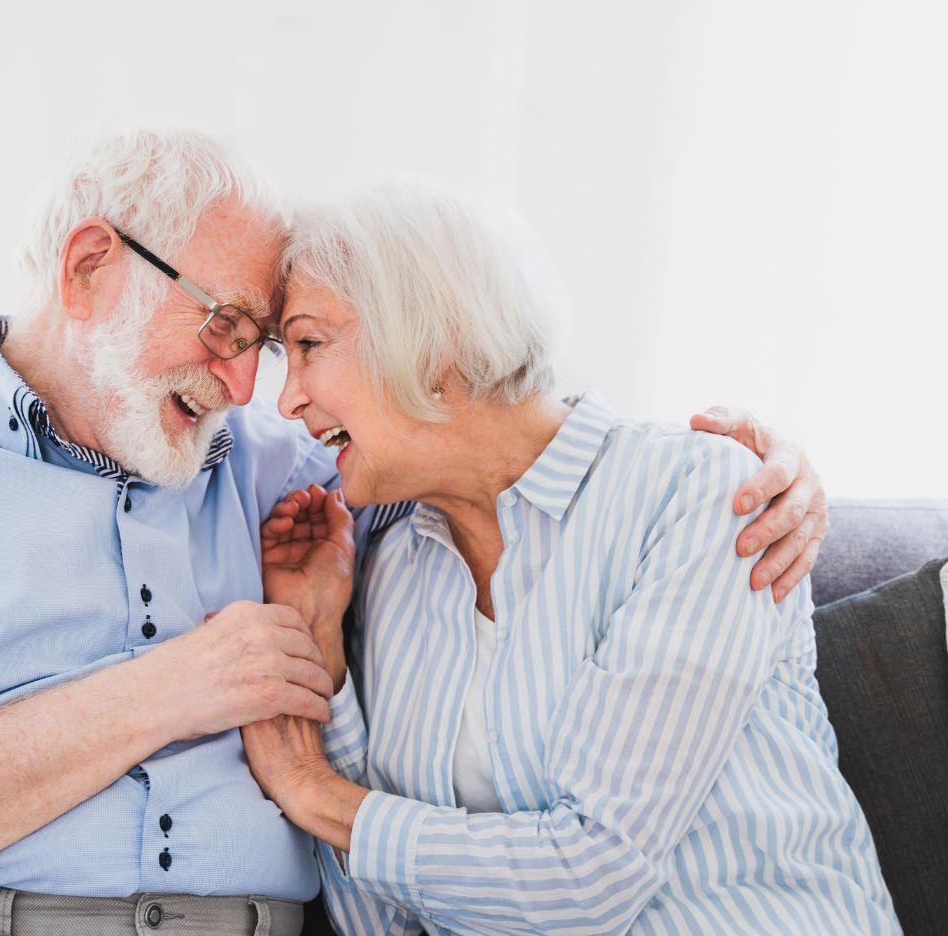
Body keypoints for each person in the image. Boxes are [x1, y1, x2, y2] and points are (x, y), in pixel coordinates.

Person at [0, 127, 824, 936]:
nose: (249, 392)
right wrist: (175, 689)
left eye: (276, 346)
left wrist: (763, 469)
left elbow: (484, 432)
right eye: (226, 328)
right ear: (88, 269)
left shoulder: (296, 478)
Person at [241, 179, 900, 935]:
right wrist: (322, 646)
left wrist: (310, 788)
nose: (286, 401)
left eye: (309, 345)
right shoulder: (392, 563)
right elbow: (380, 921)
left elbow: (594, 876)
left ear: (433, 333)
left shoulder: (696, 494)